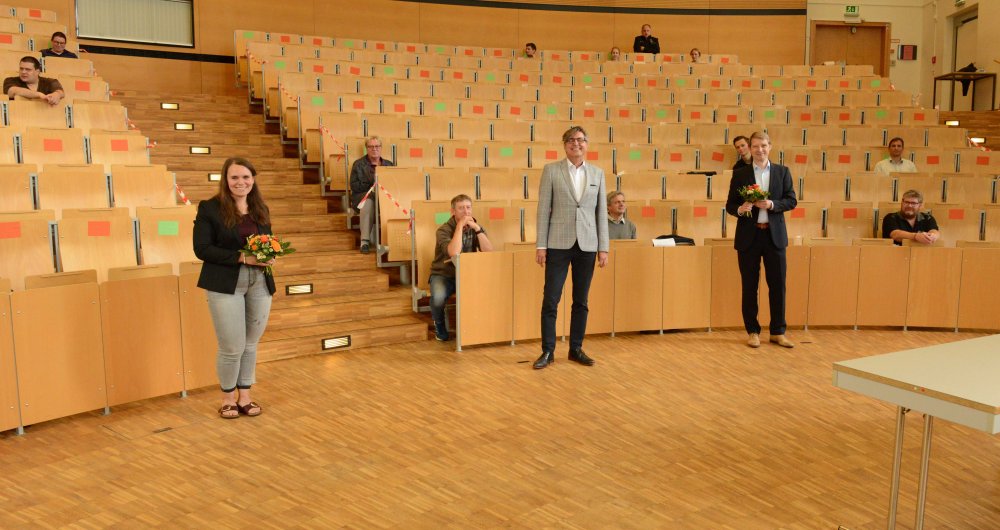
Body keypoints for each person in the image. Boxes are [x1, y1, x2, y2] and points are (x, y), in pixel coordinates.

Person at [193, 157, 276, 419]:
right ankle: (228, 398)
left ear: (253, 179)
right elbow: (202, 249)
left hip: (260, 281)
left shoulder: (260, 207)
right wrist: (243, 257)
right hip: (225, 282)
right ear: (226, 180)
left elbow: (266, 240)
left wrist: (269, 254)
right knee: (232, 346)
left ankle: (245, 396)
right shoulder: (210, 208)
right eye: (235, 177)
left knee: (250, 344)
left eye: (246, 177)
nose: (241, 182)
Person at [534, 126, 609, 369]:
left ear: (587, 144)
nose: (576, 144)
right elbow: (543, 210)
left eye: (580, 140)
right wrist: (541, 245)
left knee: (581, 301)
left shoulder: (598, 174)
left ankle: (576, 348)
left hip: (587, 244)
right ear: (564, 145)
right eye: (571, 140)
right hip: (557, 243)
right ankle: (548, 351)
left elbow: (601, 214)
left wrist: (603, 248)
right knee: (551, 299)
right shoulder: (551, 171)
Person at [725, 132, 797, 349]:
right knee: (749, 287)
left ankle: (778, 331)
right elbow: (730, 205)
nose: (759, 150)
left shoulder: (783, 172)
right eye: (755, 146)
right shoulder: (740, 174)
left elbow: (791, 200)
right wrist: (740, 209)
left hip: (774, 237)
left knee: (778, 286)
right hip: (749, 237)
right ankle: (753, 331)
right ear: (750, 148)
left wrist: (773, 205)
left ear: (770, 146)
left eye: (763, 145)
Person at [427, 194, 494, 341]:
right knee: (438, 298)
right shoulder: (443, 230)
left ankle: (476, 328)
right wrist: (459, 227)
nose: (466, 212)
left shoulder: (476, 227)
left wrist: (477, 229)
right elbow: (453, 252)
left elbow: (489, 252)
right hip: (443, 274)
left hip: (467, 273)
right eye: (461, 208)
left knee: (486, 293)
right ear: (453, 212)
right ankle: (439, 325)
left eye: (468, 208)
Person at [349, 136, 394, 254]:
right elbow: (354, 186)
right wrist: (372, 185)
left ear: (381, 148)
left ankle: (393, 241)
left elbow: (394, 183)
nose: (374, 149)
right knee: (368, 201)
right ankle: (364, 241)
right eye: (371, 146)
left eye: (377, 146)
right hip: (362, 197)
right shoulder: (358, 164)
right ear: (367, 149)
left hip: (383, 198)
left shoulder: (389, 164)